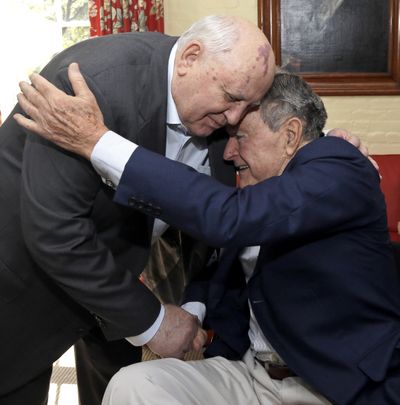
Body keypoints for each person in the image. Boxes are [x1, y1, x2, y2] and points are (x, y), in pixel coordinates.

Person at [17, 71, 400, 404]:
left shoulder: (339, 166)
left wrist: (97, 141)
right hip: (253, 377)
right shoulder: (263, 192)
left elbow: (227, 217)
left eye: (240, 137)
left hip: (336, 385)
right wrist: (190, 316)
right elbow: (226, 266)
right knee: (136, 384)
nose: (229, 152)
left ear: (291, 135)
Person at [1, 15, 276, 405]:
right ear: (189, 58)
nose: (235, 119)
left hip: (114, 280)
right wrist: (154, 322)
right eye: (231, 98)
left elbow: (290, 124)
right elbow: (54, 231)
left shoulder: (221, 108)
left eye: (249, 105)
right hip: (22, 290)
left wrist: (331, 148)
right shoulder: (88, 86)